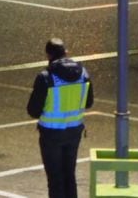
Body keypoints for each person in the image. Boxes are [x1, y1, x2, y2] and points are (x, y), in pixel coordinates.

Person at [27, 38, 95, 198]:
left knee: (55, 178)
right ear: (66, 52)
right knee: (69, 175)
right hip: (74, 132)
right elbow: (89, 102)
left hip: (51, 134)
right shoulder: (83, 73)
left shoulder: (46, 77)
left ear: (48, 55)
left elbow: (33, 110)